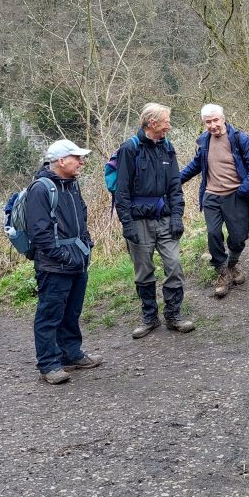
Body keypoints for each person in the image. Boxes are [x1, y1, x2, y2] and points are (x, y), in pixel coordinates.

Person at [114, 103, 195, 339]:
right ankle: (149, 317)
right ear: (152, 123)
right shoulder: (130, 149)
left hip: (165, 217)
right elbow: (122, 191)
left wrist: (177, 216)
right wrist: (127, 224)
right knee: (143, 271)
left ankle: (173, 315)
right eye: (166, 121)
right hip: (138, 220)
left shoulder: (168, 148)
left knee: (174, 265)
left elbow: (174, 186)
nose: (169, 125)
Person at [27, 139, 100, 385]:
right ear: (61, 161)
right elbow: (40, 234)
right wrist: (65, 257)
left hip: (77, 260)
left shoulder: (71, 185)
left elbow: (81, 215)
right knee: (50, 314)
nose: (82, 162)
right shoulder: (41, 189)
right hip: (54, 265)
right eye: (77, 158)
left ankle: (71, 353)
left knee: (72, 311)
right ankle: (49, 364)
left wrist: (86, 243)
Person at [181, 104, 249, 298]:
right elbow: (196, 165)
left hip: (236, 195)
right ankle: (221, 271)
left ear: (223, 118)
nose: (212, 125)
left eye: (215, 120)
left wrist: (244, 190)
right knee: (213, 233)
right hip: (211, 195)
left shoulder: (239, 139)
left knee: (239, 237)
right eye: (208, 122)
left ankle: (232, 264)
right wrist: (176, 180)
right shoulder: (204, 142)